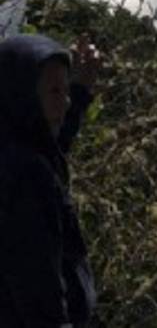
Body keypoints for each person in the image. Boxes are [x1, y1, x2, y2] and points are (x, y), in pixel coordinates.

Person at [0, 32, 101, 327]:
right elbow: (39, 293)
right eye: (55, 92)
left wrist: (81, 89)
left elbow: (51, 145)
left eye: (66, 91)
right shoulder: (27, 178)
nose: (66, 103)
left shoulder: (15, 145)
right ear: (23, 96)